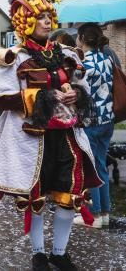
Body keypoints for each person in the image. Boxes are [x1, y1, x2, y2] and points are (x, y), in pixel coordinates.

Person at [0, 0, 102, 271]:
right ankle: (38, 253)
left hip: (66, 136)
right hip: (30, 140)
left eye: (49, 16)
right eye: (40, 16)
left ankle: (59, 253)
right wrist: (43, 97)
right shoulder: (13, 58)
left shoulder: (67, 54)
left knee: (67, 195)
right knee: (34, 198)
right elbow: (0, 99)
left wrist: (77, 95)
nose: (47, 21)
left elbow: (82, 85)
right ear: (26, 20)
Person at [73, 23, 114, 229]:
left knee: (90, 168)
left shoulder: (84, 65)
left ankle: (95, 215)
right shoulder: (107, 59)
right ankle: (105, 213)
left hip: (91, 121)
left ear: (81, 38)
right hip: (108, 120)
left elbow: (78, 92)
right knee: (101, 166)